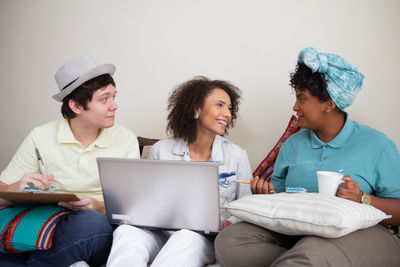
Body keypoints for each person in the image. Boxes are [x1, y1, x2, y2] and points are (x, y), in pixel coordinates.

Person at [215, 47, 400, 266]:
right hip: (298, 234)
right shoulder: (293, 145)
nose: (295, 107)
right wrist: (265, 194)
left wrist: (363, 199)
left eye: (302, 99)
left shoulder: (376, 145)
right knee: (230, 242)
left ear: (329, 104)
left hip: (363, 236)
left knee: (312, 251)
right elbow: (280, 198)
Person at [0, 55, 140, 266]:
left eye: (114, 97)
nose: (114, 106)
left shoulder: (125, 139)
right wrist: (15, 189)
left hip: (92, 227)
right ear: (76, 106)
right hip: (44, 224)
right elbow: (2, 195)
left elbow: (134, 206)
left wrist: (98, 206)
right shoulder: (41, 136)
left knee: (91, 223)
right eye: (104, 99)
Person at [107, 76, 252, 267]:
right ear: (196, 109)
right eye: (220, 105)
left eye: (230, 108)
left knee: (186, 237)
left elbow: (245, 205)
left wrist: (230, 223)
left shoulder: (237, 155)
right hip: (161, 233)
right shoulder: (161, 149)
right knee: (126, 232)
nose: (227, 113)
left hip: (203, 239)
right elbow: (146, 201)